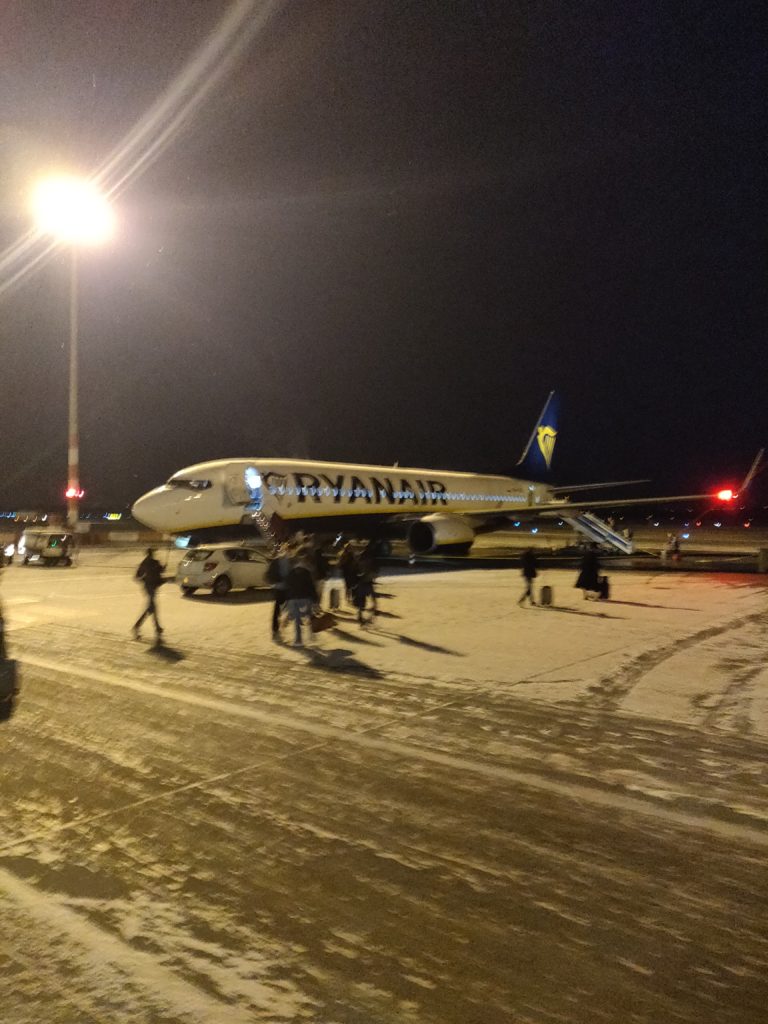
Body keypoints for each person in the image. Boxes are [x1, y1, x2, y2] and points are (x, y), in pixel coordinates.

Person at [284, 553, 317, 647]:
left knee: (297, 620)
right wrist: (315, 599)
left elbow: (287, 587)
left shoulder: (290, 573)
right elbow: (311, 587)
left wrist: (287, 599)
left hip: (293, 599)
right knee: (309, 616)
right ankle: (311, 636)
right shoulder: (306, 572)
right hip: (305, 598)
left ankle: (298, 640)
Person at [133, 547, 165, 641]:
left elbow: (137, 576)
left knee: (151, 608)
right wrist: (163, 568)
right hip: (152, 587)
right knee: (152, 608)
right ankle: (139, 626)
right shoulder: (155, 562)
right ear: (151, 553)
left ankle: (156, 628)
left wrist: (144, 580)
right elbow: (161, 571)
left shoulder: (144, 563)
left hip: (148, 587)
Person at [266, 543, 292, 642]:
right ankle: (276, 628)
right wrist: (278, 580)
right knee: (278, 609)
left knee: (282, 608)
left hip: (285, 587)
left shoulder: (290, 560)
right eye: (286, 549)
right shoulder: (277, 561)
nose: (288, 551)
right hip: (280, 587)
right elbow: (270, 574)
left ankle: (278, 628)